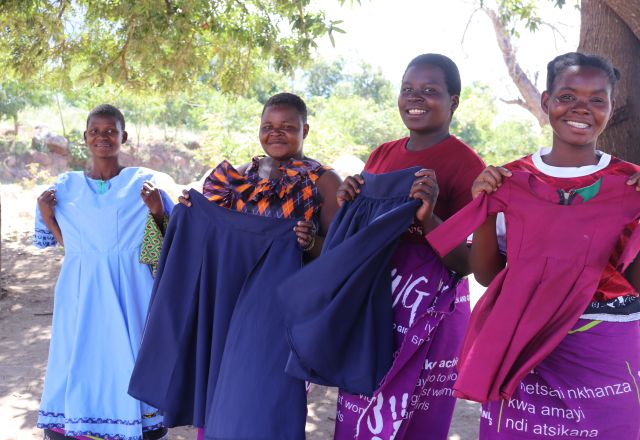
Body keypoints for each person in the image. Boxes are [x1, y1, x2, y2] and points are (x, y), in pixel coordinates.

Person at [137, 92, 341, 439]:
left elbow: (340, 253)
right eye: (268, 126)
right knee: (220, 392)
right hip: (226, 302)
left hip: (282, 311)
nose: (276, 133)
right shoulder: (236, 178)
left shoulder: (324, 181)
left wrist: (309, 243)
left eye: (288, 127)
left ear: (306, 129)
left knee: (263, 399)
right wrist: (192, 211)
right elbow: (212, 240)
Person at [458, 52, 640, 439]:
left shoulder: (630, 184)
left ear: (610, 107)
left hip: (604, 347)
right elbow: (489, 276)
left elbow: (636, 283)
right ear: (545, 101)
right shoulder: (510, 178)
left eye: (597, 100)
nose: (581, 109)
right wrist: (486, 210)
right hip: (521, 338)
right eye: (567, 96)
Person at [333, 54, 485, 439]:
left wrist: (429, 218)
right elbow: (364, 229)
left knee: (415, 418)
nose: (415, 98)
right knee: (359, 408)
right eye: (408, 90)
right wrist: (349, 200)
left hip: (429, 307)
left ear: (454, 101)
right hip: (375, 300)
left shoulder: (468, 166)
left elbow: (466, 263)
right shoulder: (383, 153)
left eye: (430, 91)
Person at [34, 104, 174, 440]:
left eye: (110, 131)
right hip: (81, 287)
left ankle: (138, 422)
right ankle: (80, 419)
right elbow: (74, 245)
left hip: (131, 286)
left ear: (123, 136)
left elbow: (170, 242)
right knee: (80, 350)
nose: (102, 137)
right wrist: (48, 215)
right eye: (95, 131)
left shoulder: (145, 182)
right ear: (85, 137)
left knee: (131, 352)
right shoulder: (65, 187)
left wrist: (156, 211)